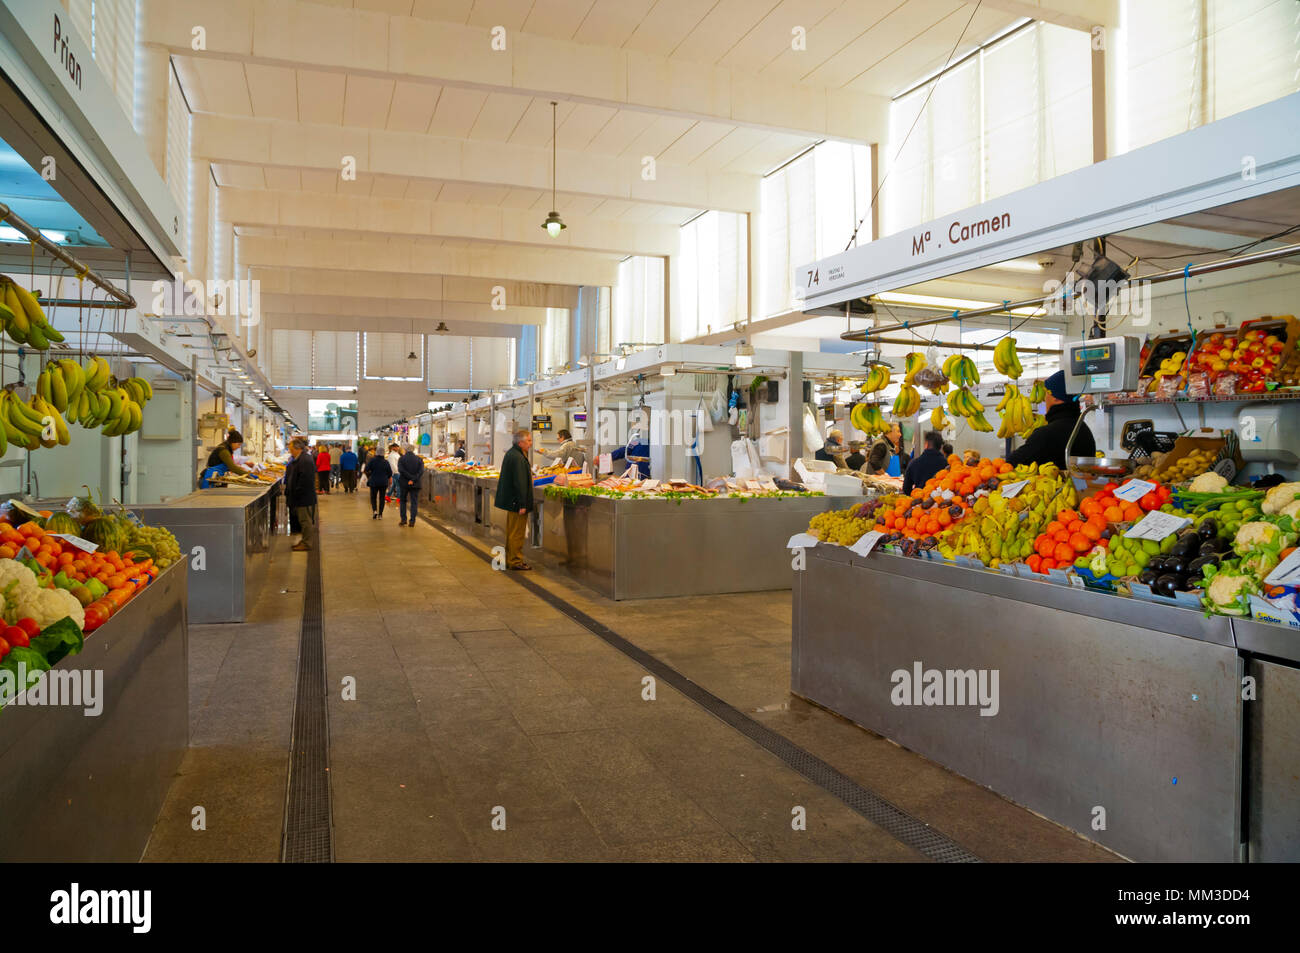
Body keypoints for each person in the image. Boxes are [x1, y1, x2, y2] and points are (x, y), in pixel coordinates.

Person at [1008, 370, 1096, 469]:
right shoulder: (1082, 428)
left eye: (1046, 393)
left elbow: (1010, 464)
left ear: (1056, 398)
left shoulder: (1046, 434)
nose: (1044, 399)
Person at [494, 429, 534, 570]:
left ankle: (510, 558)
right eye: (529, 440)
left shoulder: (514, 453)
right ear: (521, 442)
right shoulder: (517, 457)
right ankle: (516, 561)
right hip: (517, 502)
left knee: (512, 531)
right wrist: (523, 504)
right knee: (517, 533)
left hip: (513, 501)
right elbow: (520, 482)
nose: (531, 443)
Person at [285, 437, 318, 552]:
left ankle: (307, 543)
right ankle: (304, 540)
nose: (290, 451)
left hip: (304, 497)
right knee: (303, 520)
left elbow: (305, 480)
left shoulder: (305, 460)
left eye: (291, 449)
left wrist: (297, 492)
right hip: (301, 496)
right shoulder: (301, 459)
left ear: (298, 448)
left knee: (305, 521)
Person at [397, 443, 424, 526]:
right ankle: (412, 521)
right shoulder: (419, 459)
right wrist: (413, 479)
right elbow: (421, 471)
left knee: (403, 501)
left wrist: (409, 478)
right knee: (414, 502)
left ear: (405, 449)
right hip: (415, 484)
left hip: (404, 483)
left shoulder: (401, 459)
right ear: (413, 450)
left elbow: (401, 470)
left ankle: (403, 520)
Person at [365, 447, 393, 519]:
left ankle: (374, 511)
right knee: (382, 498)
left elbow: (366, 469)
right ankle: (380, 514)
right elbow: (390, 472)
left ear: (376, 452)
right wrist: (389, 478)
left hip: (374, 481)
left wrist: (371, 474)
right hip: (383, 482)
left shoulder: (372, 461)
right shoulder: (386, 462)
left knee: (373, 497)